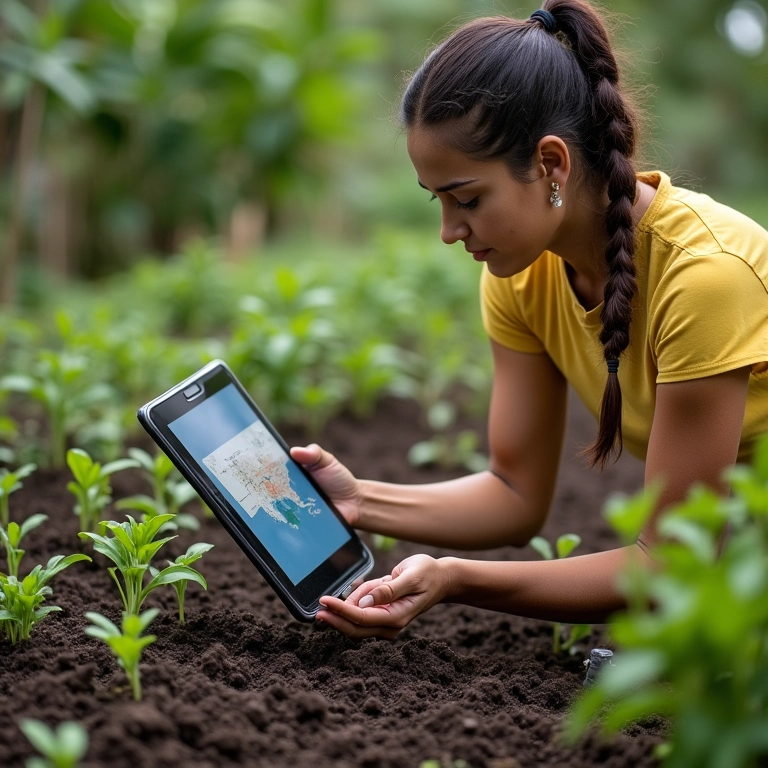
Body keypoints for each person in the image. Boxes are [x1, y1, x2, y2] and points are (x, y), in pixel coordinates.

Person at [290, 0, 768, 640]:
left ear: (550, 165)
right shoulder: (522, 278)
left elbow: (669, 567)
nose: (448, 231)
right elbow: (514, 493)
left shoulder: (704, 276)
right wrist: (359, 501)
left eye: (467, 199)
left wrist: (459, 580)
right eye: (438, 201)